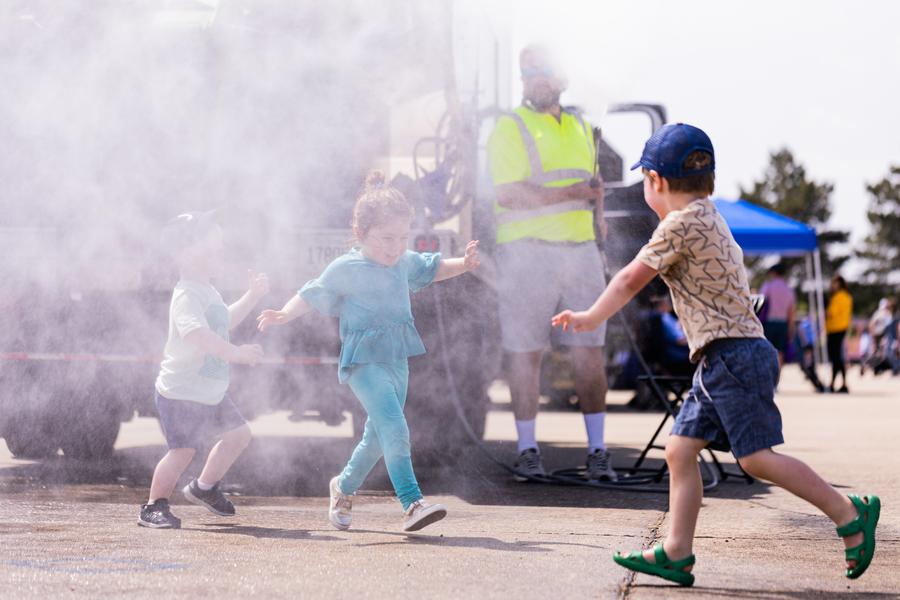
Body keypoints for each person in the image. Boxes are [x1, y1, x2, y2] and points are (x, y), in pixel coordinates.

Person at [552, 123, 879, 587]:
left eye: (643, 178)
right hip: (725, 356)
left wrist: (589, 316)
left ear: (655, 182)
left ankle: (848, 514)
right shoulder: (708, 214)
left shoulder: (678, 224)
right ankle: (676, 552)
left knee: (756, 460)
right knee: (680, 450)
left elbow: (629, 280)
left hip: (733, 357)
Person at [257, 171, 480, 533]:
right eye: (386, 238)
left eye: (401, 238)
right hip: (363, 361)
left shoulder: (403, 261)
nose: (394, 247)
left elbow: (432, 267)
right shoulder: (347, 266)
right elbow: (313, 290)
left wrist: (464, 265)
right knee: (395, 426)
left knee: (376, 438)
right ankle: (412, 503)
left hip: (397, 358)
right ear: (360, 234)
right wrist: (284, 312)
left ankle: (342, 487)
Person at [486, 44, 615, 482]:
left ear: (561, 79)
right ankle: (527, 452)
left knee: (590, 352)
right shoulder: (510, 126)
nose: (535, 80)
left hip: (580, 250)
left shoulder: (581, 125)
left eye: (543, 72)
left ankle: (598, 453)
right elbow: (506, 193)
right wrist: (572, 196)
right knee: (526, 352)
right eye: (528, 73)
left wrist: (598, 219)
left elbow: (592, 186)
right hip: (526, 252)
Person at [139, 211, 269, 529]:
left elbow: (223, 323)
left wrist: (252, 296)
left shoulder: (207, 291)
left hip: (208, 391)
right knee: (183, 450)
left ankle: (204, 487)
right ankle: (153, 506)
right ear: (185, 254)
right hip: (181, 392)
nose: (220, 252)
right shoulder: (186, 294)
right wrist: (235, 353)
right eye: (212, 246)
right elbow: (197, 334)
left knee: (239, 435)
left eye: (220, 246)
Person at [759, 263, 795, 366]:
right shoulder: (789, 289)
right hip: (783, 324)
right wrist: (791, 328)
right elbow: (791, 311)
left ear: (773, 273)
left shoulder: (768, 286)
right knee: (780, 352)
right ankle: (778, 377)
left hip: (768, 323)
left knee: (767, 351)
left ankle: (768, 376)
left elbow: (760, 304)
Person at [825, 275, 853, 393]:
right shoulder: (847, 296)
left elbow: (831, 313)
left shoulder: (838, 297)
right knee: (838, 357)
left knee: (836, 357)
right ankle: (841, 383)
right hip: (841, 328)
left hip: (835, 329)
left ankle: (834, 383)